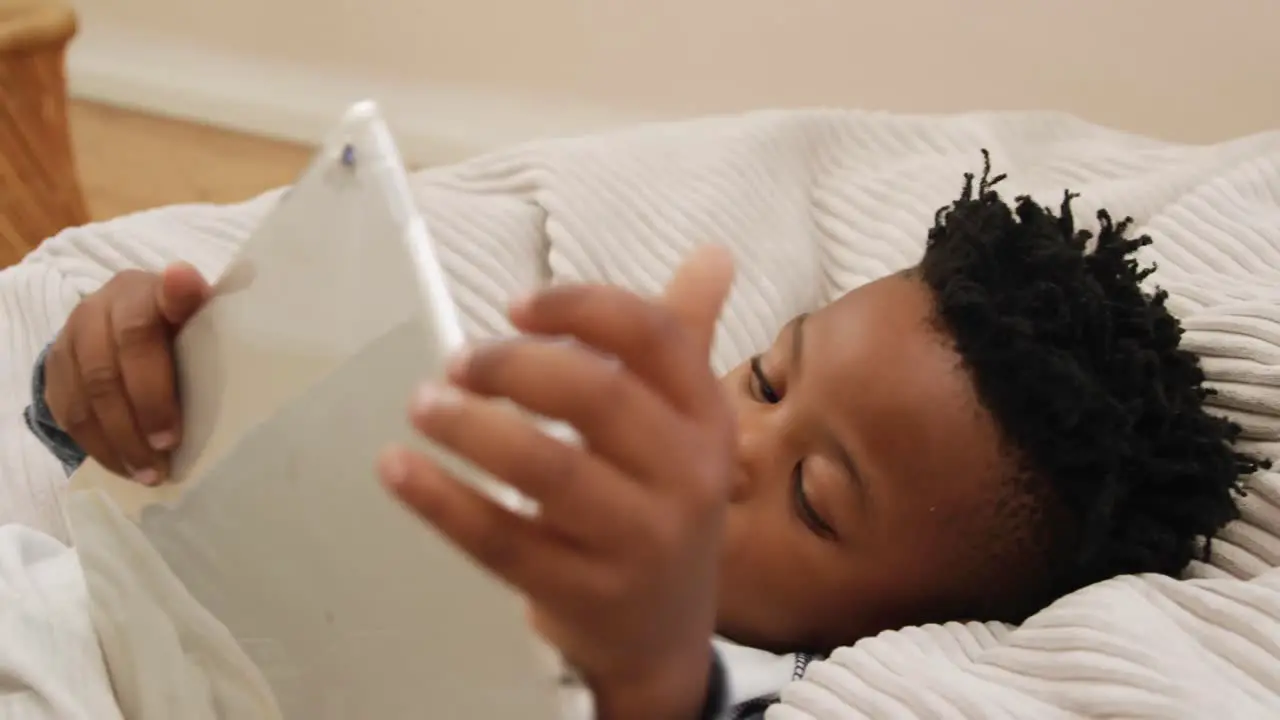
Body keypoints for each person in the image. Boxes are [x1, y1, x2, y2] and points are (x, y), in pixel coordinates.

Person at [23, 158, 1269, 719]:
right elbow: (170, 501)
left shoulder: (737, 681)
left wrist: (642, 667)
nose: (726, 449)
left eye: (816, 504)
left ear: (906, 628)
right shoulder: (533, 440)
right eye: (769, 380)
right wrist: (128, 379)